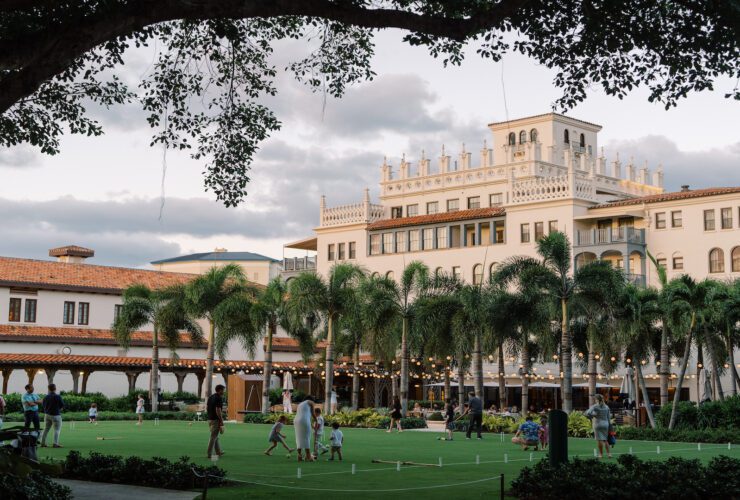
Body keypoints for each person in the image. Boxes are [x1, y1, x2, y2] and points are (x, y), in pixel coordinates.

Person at [585, 394, 612, 459]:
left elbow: (587, 413)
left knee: (599, 440)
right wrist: (610, 426)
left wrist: (593, 415)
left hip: (597, 424)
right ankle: (609, 454)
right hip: (605, 424)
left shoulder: (595, 406)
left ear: (596, 399)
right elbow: (609, 418)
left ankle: (600, 454)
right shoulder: (606, 407)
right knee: (605, 440)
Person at [206, 384, 226, 459]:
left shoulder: (211, 397)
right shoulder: (218, 398)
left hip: (210, 419)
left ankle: (218, 452)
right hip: (215, 420)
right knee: (213, 437)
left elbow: (207, 407)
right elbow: (218, 410)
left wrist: (209, 417)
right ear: (220, 390)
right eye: (223, 390)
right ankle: (209, 453)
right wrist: (221, 420)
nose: (223, 391)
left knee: (215, 436)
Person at [294, 397, 317, 462]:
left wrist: (311, 425)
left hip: (296, 421)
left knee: (299, 438)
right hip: (304, 421)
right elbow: (313, 413)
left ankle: (299, 455)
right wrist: (316, 420)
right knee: (306, 437)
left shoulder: (300, 404)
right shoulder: (310, 402)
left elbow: (305, 414)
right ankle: (308, 456)